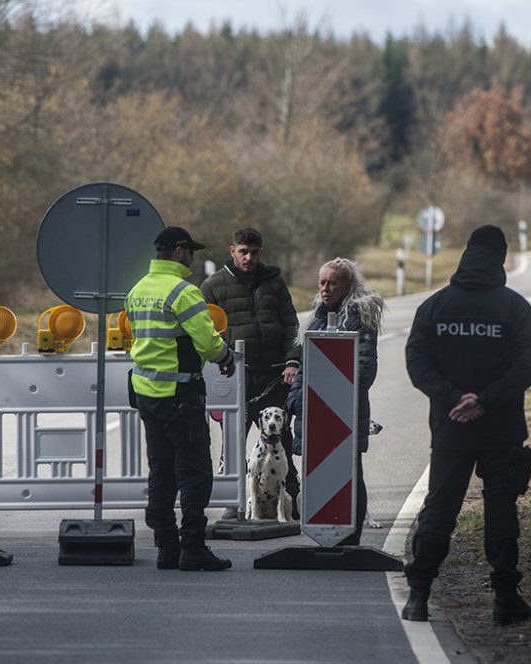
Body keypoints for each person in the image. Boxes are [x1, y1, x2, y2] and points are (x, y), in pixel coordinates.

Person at [402, 224, 531, 624]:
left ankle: (418, 595)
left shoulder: (434, 307)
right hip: (500, 428)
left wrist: (452, 398)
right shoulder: (515, 308)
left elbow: (417, 364)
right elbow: (526, 366)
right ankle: (504, 600)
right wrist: (485, 399)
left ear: (466, 253)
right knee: (501, 508)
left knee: (440, 509)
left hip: (450, 428)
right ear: (500, 257)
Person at [125, 226, 236, 571]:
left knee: (160, 471)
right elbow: (206, 341)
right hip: (180, 394)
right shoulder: (183, 292)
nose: (193, 257)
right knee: (194, 472)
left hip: (146, 394)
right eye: (190, 251)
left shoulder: (137, 290)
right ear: (177, 251)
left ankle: (165, 547)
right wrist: (225, 357)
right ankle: (193, 547)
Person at [200, 228, 302, 520]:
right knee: (232, 443)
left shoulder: (274, 281)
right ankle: (233, 504)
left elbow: (291, 325)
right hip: (235, 377)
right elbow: (205, 332)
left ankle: (290, 500)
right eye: (243, 251)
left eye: (254, 252)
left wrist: (292, 361)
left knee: (279, 439)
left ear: (261, 252)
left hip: (273, 377)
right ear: (232, 250)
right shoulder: (213, 286)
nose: (248, 258)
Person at [286, 257, 385, 545]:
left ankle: (350, 538)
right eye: (322, 283)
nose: (325, 288)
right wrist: (296, 400)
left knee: (351, 473)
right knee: (322, 475)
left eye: (332, 283)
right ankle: (327, 534)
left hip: (346, 413)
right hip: (315, 413)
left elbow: (365, 370)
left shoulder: (361, 317)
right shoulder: (316, 318)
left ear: (348, 285)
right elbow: (305, 367)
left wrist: (335, 394)